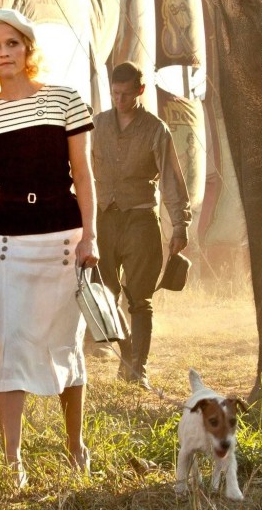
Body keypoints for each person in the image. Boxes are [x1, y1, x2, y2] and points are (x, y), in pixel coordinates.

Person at [0, 8, 97, 487]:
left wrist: (91, 236)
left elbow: (84, 175)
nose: (4, 53)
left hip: (64, 237)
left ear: (27, 47)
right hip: (7, 243)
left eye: (12, 43)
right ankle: (12, 461)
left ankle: (76, 447)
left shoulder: (65, 99)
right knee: (10, 348)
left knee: (66, 343)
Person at [92, 62, 191, 390]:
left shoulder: (155, 129)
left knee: (139, 298)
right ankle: (127, 352)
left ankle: (139, 367)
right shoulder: (97, 125)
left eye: (126, 94)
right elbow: (80, 172)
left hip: (140, 220)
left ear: (140, 91)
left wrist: (180, 225)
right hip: (104, 220)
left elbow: (171, 179)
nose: (120, 100)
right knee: (104, 294)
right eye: (115, 93)